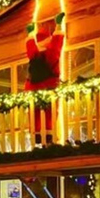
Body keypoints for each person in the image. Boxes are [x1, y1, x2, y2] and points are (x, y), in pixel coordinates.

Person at [25, 11, 65, 145]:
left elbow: (30, 46)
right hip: (49, 88)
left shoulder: (35, 55)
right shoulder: (51, 54)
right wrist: (58, 25)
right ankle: (49, 134)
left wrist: (30, 34)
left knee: (34, 114)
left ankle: (36, 134)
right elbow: (57, 42)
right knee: (50, 112)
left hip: (33, 90)